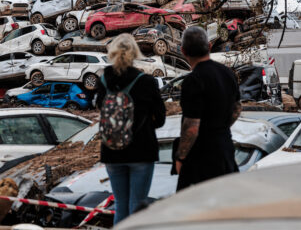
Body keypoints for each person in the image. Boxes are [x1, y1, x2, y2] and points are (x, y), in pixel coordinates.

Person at [96, 33, 166, 224]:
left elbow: (99, 109)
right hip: (141, 151)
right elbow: (160, 120)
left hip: (112, 151)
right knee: (137, 206)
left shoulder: (103, 80)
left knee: (120, 204)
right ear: (135, 53)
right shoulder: (147, 82)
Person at [175, 27, 241, 191]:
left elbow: (192, 126)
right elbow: (237, 108)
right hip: (225, 148)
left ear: (183, 51)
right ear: (210, 46)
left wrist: (181, 157)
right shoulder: (228, 73)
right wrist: (220, 126)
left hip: (200, 156)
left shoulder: (193, 80)